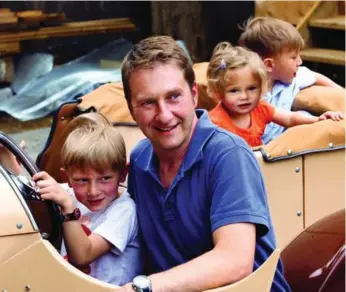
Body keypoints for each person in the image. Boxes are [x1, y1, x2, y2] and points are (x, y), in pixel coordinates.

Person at [118, 35, 291, 292]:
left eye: (174, 96)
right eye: (147, 103)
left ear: (194, 95)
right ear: (132, 110)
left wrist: (143, 286)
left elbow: (234, 261)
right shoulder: (141, 158)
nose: (164, 115)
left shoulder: (227, 154)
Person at [32, 124, 143, 286]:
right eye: (82, 180)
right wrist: (9, 160)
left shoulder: (124, 210)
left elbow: (82, 256)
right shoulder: (70, 194)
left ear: (122, 175)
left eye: (105, 178)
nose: (93, 191)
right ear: (67, 177)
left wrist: (69, 212)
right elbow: (27, 199)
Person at [207, 44, 344, 147]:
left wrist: (317, 119)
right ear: (218, 92)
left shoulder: (260, 108)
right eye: (234, 91)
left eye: (252, 88)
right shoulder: (214, 122)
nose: (244, 96)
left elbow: (290, 118)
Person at [238, 16, 343, 144]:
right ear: (269, 65)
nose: (300, 61)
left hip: (283, 146)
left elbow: (315, 76)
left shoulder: (292, 78)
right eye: (293, 57)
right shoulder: (246, 95)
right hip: (255, 150)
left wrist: (341, 91)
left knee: (305, 115)